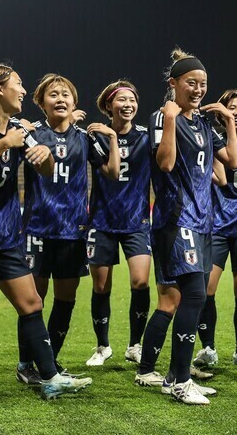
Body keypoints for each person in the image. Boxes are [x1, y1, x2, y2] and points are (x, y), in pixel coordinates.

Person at [0, 63, 92, 404]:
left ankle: (50, 377)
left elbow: (47, 168)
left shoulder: (18, 129)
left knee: (31, 303)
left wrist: (44, 157)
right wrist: (7, 142)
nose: (23, 91)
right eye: (18, 84)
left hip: (8, 235)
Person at [136, 47, 237, 405]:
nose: (198, 89)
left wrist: (227, 121)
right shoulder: (162, 118)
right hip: (176, 220)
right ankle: (180, 380)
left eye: (203, 84)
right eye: (191, 82)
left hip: (202, 220)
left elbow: (233, 163)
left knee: (184, 297)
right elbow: (164, 165)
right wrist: (167, 119)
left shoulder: (202, 124)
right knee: (194, 294)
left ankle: (170, 376)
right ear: (173, 83)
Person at [14, 74, 119, 384]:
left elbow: (112, 172)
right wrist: (19, 127)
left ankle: (51, 361)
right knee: (33, 301)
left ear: (75, 103)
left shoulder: (85, 138)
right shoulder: (31, 134)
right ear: (41, 102)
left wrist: (111, 138)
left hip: (73, 231)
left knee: (66, 299)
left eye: (66, 95)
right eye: (53, 94)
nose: (60, 98)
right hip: (36, 228)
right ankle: (25, 365)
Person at [192, 89, 237, 370]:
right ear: (221, 114)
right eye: (231, 107)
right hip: (215, 226)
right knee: (205, 289)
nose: (236, 112)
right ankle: (208, 348)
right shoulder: (210, 143)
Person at [85, 80, 152, 367]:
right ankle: (102, 346)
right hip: (102, 221)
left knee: (140, 281)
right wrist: (110, 137)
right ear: (109, 105)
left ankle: (135, 344)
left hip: (136, 221)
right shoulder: (95, 137)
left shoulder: (148, 137)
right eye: (122, 100)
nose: (128, 105)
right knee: (101, 286)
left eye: (133, 100)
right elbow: (110, 173)